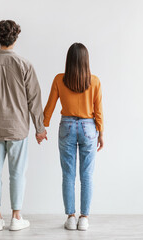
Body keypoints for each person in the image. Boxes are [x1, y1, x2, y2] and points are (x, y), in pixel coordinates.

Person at [0, 20, 47, 231]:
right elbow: (34, 100)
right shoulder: (25, 65)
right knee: (17, 173)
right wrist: (40, 129)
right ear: (15, 38)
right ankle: (16, 217)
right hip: (18, 128)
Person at [42, 43, 104, 231]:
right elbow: (98, 110)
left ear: (68, 60)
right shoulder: (94, 81)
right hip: (89, 127)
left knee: (68, 174)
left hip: (67, 126)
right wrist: (101, 132)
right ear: (86, 60)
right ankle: (84, 218)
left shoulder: (59, 80)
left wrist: (42, 127)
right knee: (87, 175)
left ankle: (70, 217)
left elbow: (50, 106)